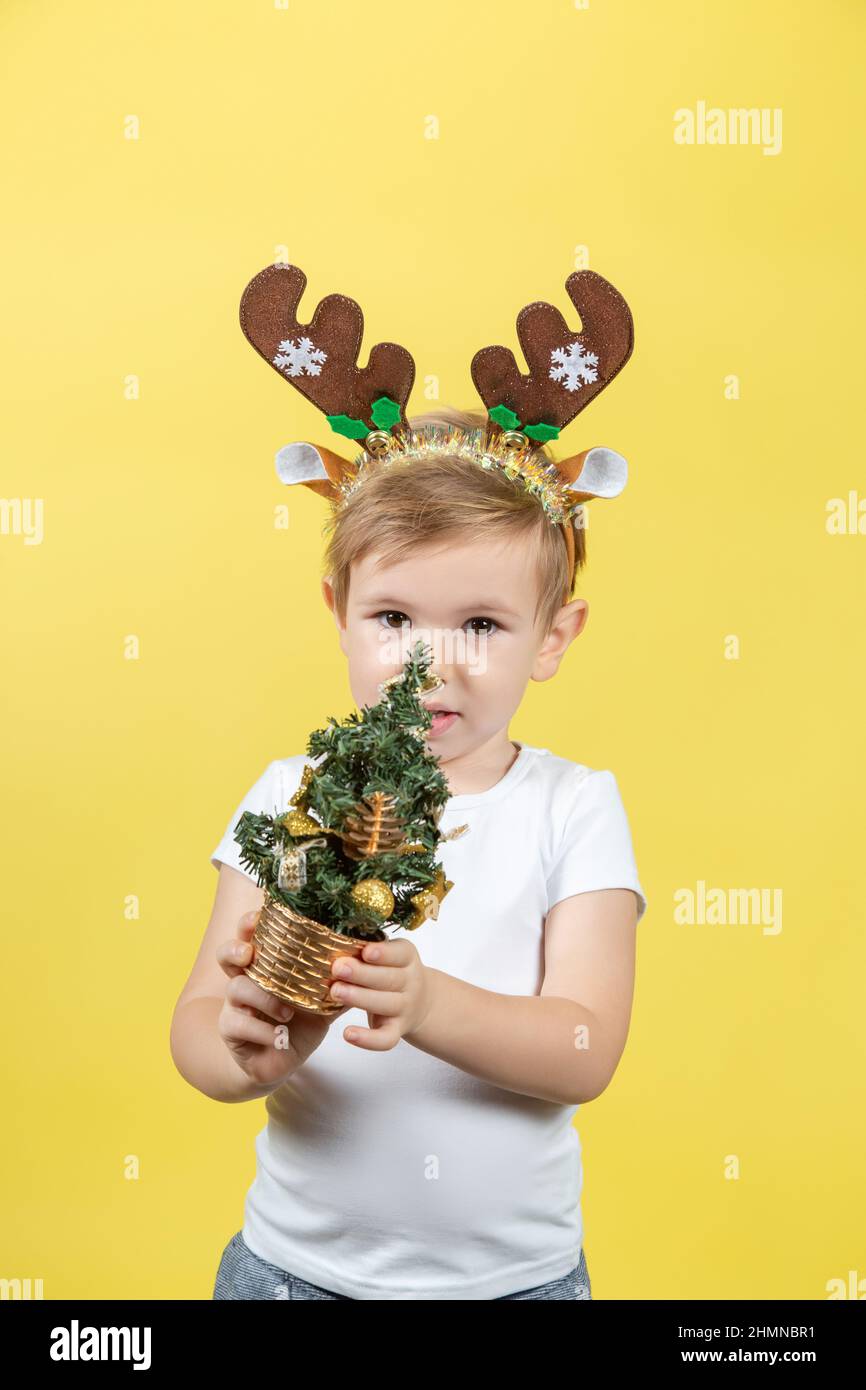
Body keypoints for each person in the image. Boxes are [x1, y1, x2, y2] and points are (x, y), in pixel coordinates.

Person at [170, 263, 647, 1300]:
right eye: (395, 619)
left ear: (552, 636)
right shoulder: (287, 792)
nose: (432, 663)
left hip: (512, 1286)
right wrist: (244, 1044)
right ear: (337, 610)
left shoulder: (572, 807)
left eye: (480, 622)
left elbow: (583, 1047)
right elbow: (200, 1024)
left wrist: (423, 998)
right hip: (293, 1277)